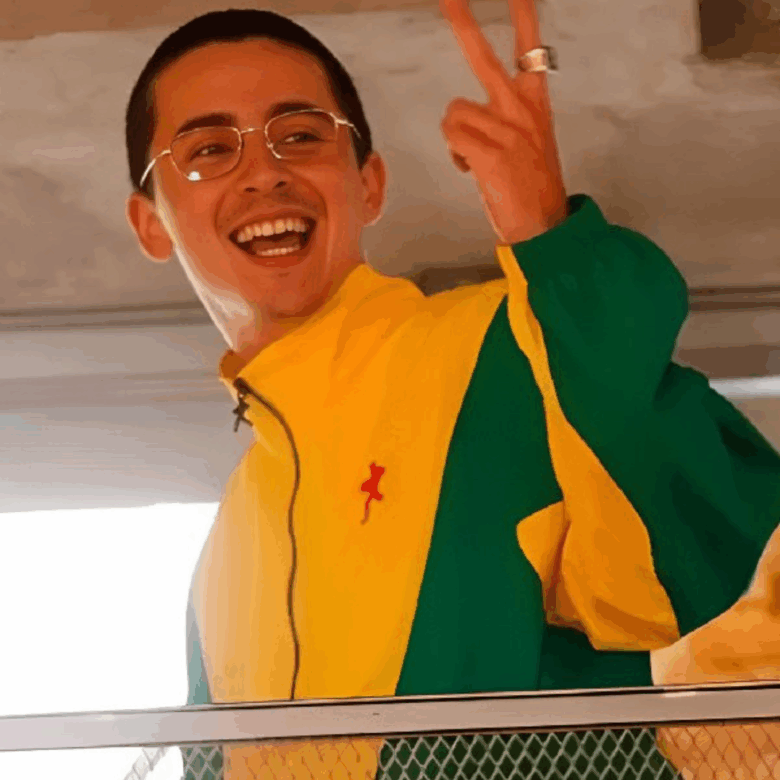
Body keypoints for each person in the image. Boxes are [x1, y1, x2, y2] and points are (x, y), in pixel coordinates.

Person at [124, 2, 780, 776]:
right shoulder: (223, 560)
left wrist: (552, 238)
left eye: (300, 136)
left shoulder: (508, 345)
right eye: (207, 150)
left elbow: (716, 561)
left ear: (370, 184)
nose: (264, 172)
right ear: (151, 224)